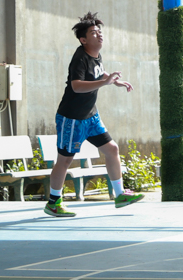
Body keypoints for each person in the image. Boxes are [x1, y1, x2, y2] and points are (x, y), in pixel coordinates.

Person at [44, 12, 143, 217]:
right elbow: (77, 86)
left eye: (99, 31)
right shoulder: (79, 58)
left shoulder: (96, 54)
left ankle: (120, 195)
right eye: (93, 33)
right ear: (83, 40)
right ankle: (53, 202)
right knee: (64, 160)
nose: (99, 35)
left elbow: (99, 72)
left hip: (91, 117)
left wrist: (114, 81)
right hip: (72, 118)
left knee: (112, 149)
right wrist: (104, 83)